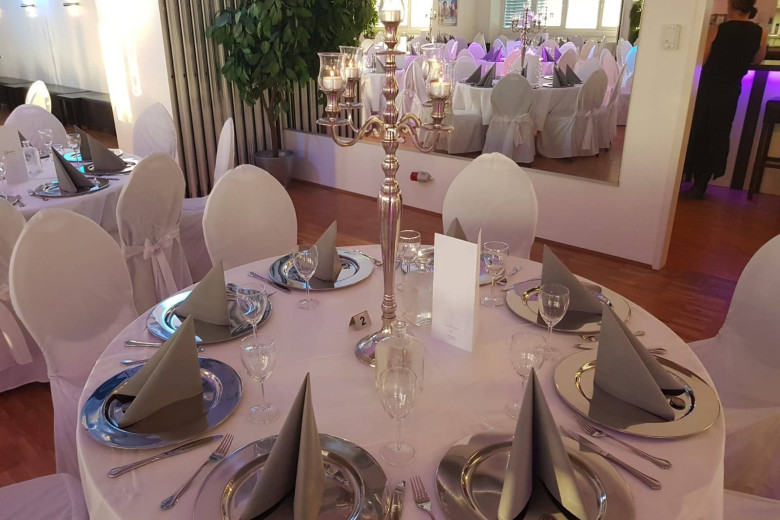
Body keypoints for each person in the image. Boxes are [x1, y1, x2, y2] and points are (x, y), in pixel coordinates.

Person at [683, 0, 767, 198]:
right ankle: (701, 183)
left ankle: (688, 176)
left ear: (731, 6)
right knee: (718, 134)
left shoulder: (718, 30)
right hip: (730, 90)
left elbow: (702, 60)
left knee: (699, 131)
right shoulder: (760, 32)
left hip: (707, 89)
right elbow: (757, 59)